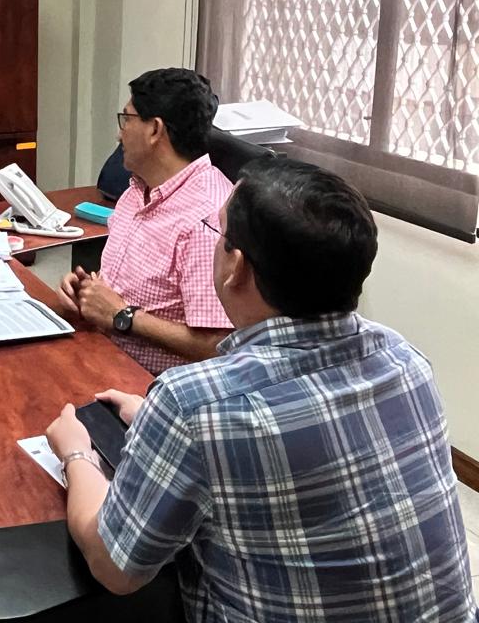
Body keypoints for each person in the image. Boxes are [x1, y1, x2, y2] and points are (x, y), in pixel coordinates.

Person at [46, 158, 479, 623]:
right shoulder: (405, 360)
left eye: (218, 234)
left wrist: (76, 453)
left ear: (236, 266)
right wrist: (159, 423)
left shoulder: (193, 406)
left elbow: (114, 567)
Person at [54, 67, 233, 374]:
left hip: (146, 385)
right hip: (100, 353)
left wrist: (123, 315)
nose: (119, 133)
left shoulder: (205, 220)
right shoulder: (138, 189)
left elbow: (217, 346)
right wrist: (88, 291)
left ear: (154, 130)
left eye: (127, 119)